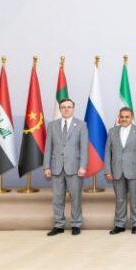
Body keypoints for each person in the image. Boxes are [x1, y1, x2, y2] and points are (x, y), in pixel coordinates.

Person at [43, 98, 88, 236]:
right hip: (56, 168)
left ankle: (76, 224)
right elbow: (48, 148)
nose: (66, 109)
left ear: (73, 108)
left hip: (75, 168)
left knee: (75, 198)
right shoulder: (52, 125)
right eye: (63, 107)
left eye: (69, 107)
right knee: (57, 198)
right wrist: (46, 166)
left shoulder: (81, 125)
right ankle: (59, 225)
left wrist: (83, 166)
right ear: (60, 109)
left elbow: (84, 148)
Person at [104, 107, 136, 234]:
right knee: (120, 199)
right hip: (116, 171)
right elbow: (107, 152)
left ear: (131, 117)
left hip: (135, 171)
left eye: (127, 117)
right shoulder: (112, 131)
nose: (124, 119)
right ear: (119, 117)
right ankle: (119, 224)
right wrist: (108, 170)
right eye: (122, 117)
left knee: (135, 199)